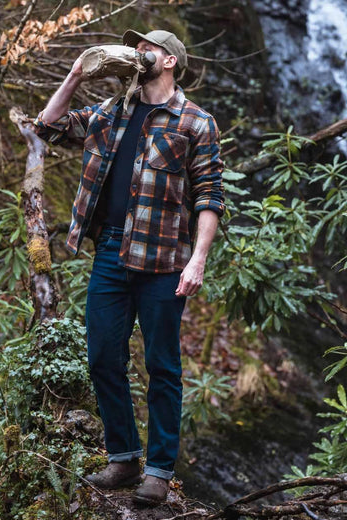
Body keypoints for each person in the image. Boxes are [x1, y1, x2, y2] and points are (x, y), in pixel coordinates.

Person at [34, 29, 225, 506]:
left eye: (149, 47)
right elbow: (48, 124)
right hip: (111, 254)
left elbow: (209, 197)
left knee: (162, 367)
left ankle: (158, 471)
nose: (139, 51)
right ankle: (123, 459)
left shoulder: (195, 122)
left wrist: (197, 260)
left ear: (170, 61)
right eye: (136, 45)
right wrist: (78, 72)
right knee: (102, 358)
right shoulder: (111, 111)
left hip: (164, 261)